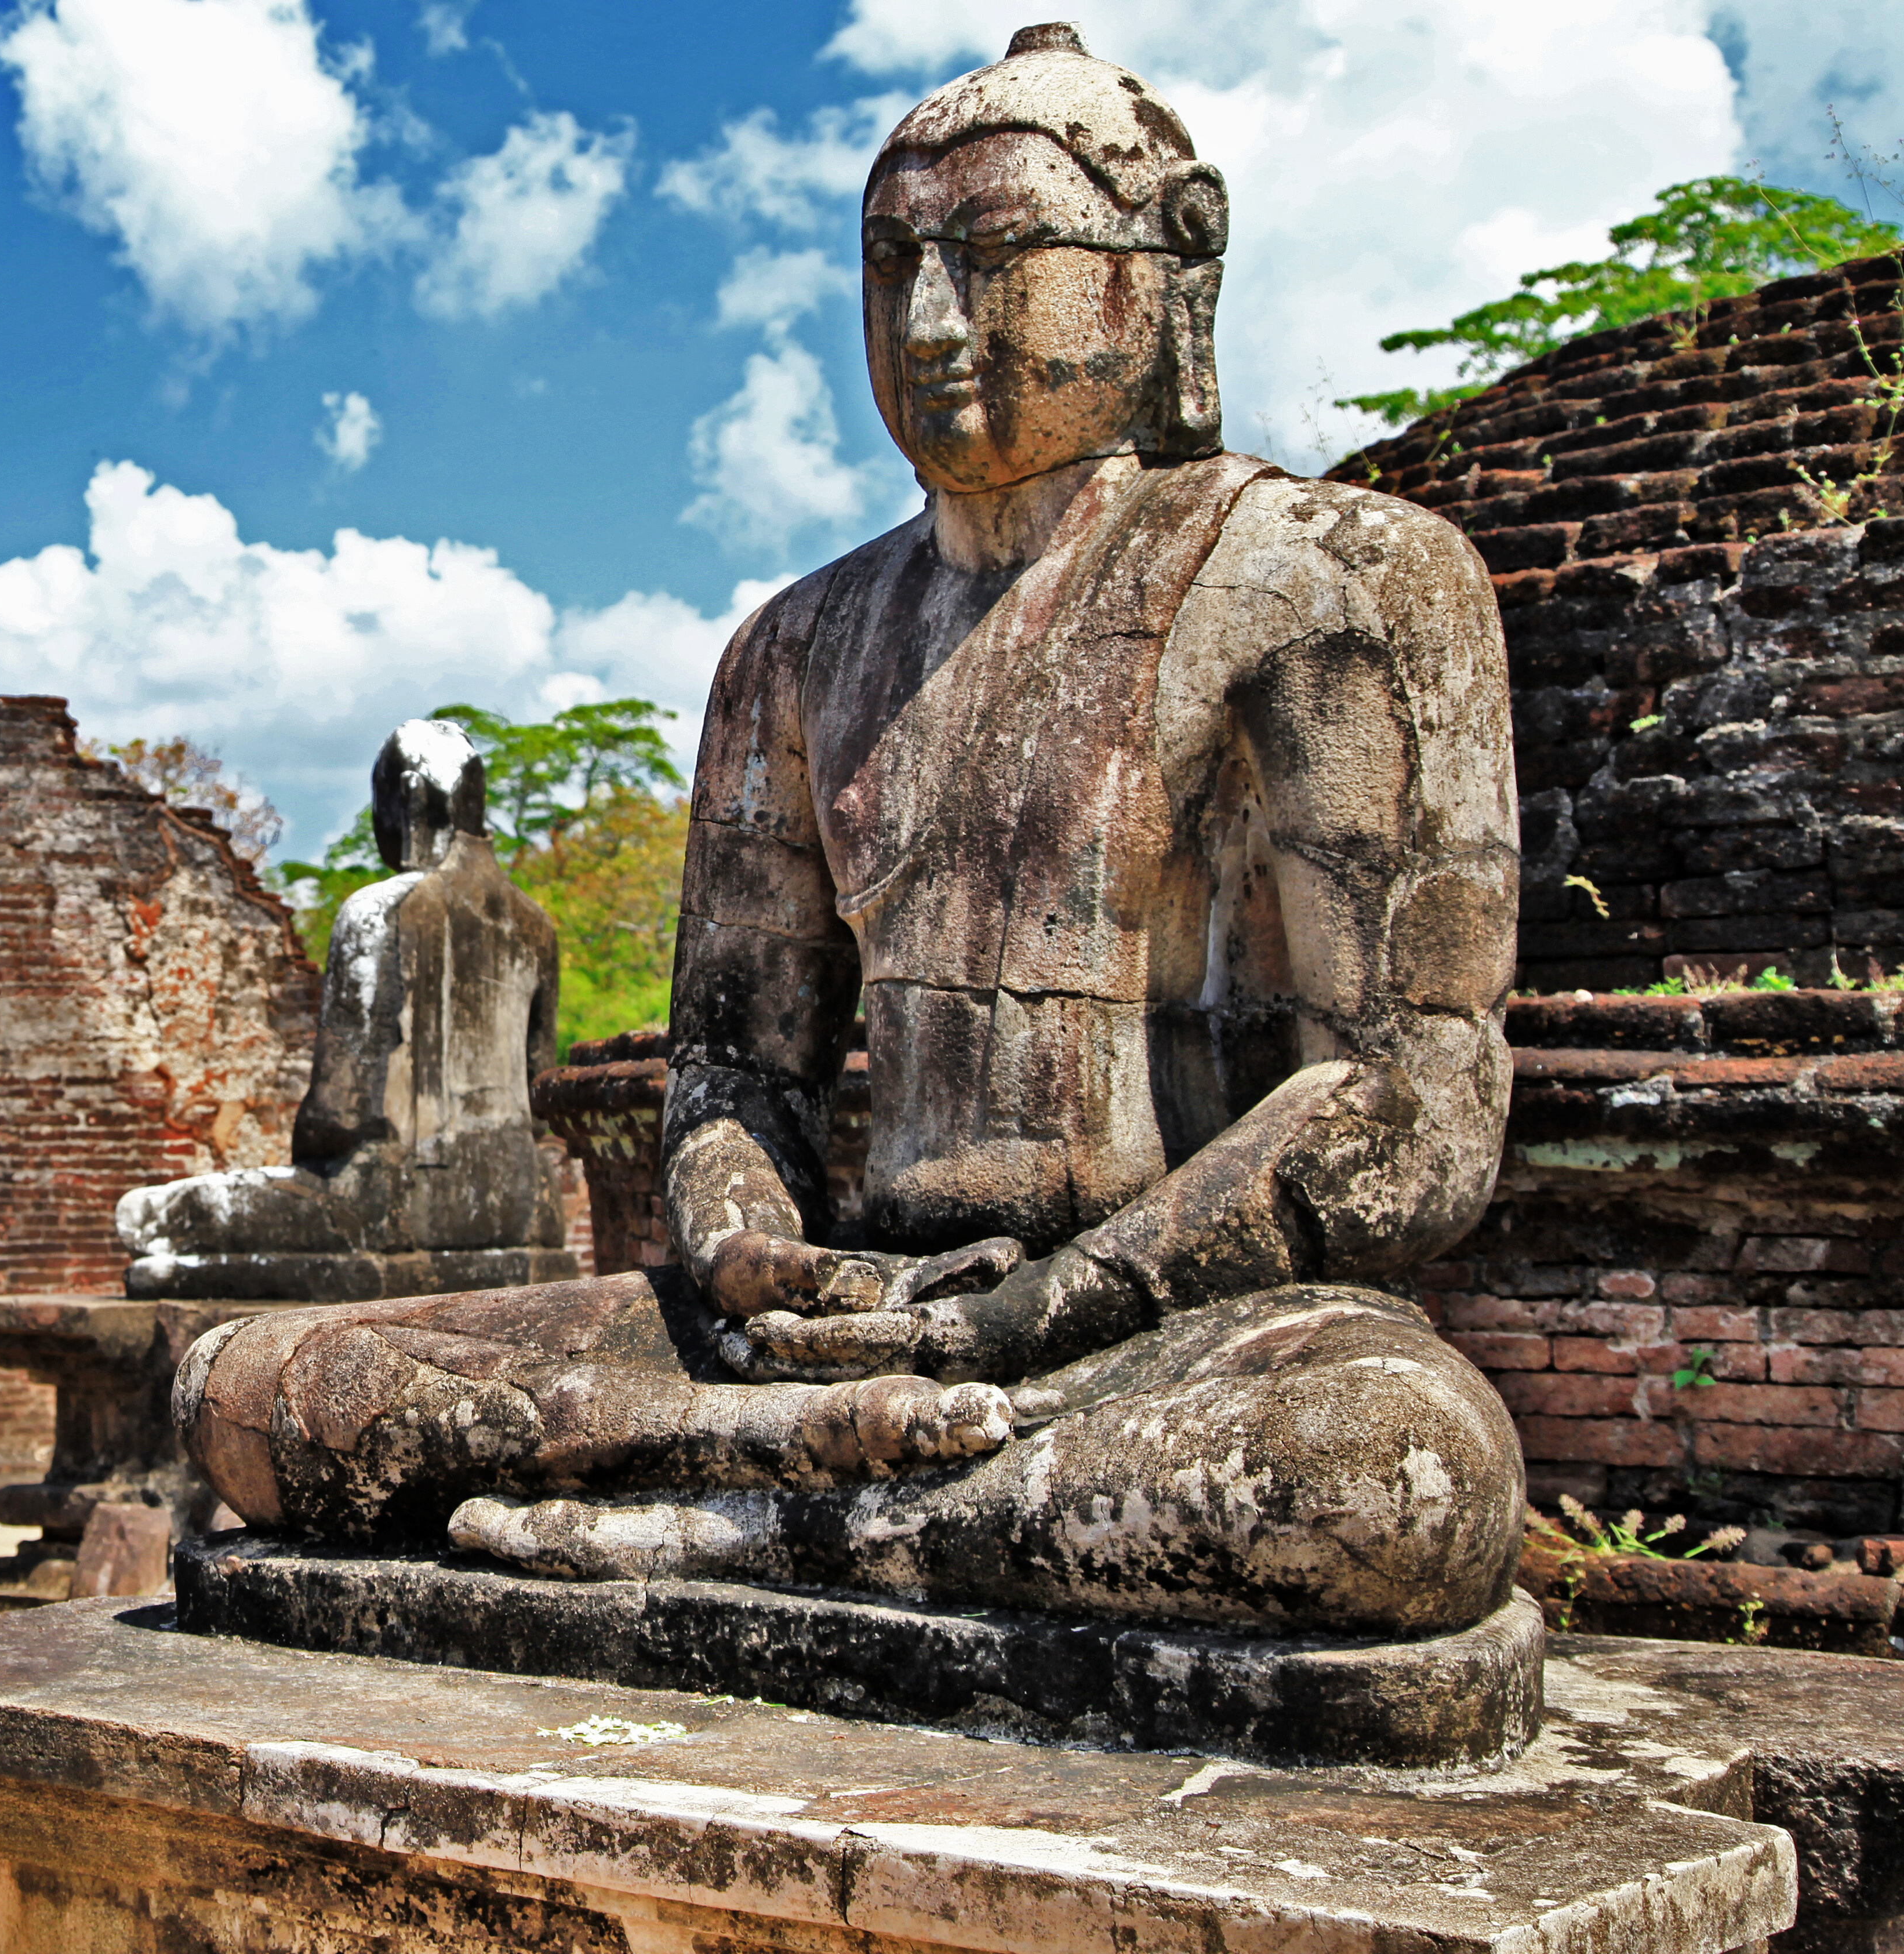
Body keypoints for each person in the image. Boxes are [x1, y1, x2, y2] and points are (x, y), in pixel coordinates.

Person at [173, 24, 1525, 1638]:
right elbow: (737, 1074)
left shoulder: (1337, 582)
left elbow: (1406, 1112)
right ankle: (795, 1472)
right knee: (247, 1391)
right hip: (845, 1319)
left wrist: (1032, 1315)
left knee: (1388, 1476)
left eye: (1001, 254)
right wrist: (746, 1237)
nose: (934, 321)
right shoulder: (796, 647)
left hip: (1156, 1328)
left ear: (1169, 262)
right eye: (892, 266)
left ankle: (734, 1516)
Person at [117, 719, 569, 1302]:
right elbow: (539, 1108)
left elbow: (339, 1112)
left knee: (147, 1218)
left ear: (407, 796)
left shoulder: (380, 912)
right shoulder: (535, 926)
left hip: (392, 1203)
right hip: (521, 1206)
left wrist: (308, 1152)